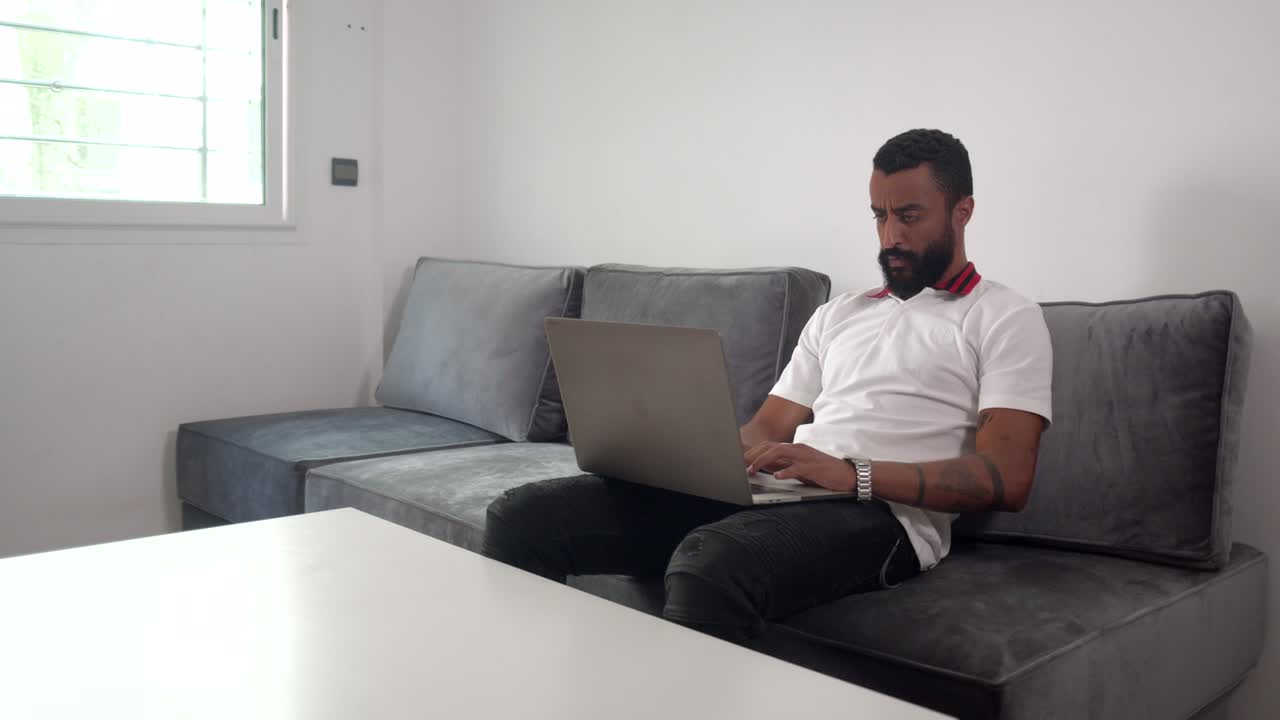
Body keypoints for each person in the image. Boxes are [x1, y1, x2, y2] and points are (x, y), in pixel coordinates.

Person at [481, 129, 1053, 643]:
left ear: (963, 211)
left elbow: (1006, 478)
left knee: (711, 562)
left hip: (886, 516)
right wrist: (688, 457)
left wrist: (853, 475)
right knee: (523, 515)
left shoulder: (1002, 315)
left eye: (909, 216)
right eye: (878, 215)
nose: (889, 236)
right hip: (790, 492)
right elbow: (767, 427)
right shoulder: (840, 314)